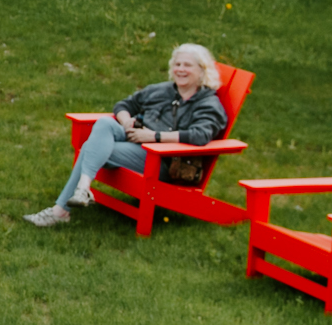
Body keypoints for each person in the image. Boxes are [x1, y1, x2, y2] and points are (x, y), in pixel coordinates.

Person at [25, 43, 228, 227]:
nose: (180, 69)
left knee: (90, 147)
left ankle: (62, 210)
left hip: (163, 161)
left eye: (187, 65)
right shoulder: (161, 90)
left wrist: (153, 136)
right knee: (105, 122)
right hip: (136, 143)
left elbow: (200, 135)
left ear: (202, 70)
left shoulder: (208, 104)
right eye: (177, 64)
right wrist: (126, 121)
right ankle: (82, 190)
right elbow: (123, 105)